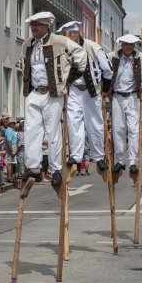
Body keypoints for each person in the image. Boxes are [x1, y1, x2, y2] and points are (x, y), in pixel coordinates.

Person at [18, 11, 89, 186]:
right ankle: (33, 167)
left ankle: (56, 169)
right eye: (32, 25)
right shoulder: (27, 44)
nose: (33, 28)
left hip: (53, 93)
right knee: (31, 130)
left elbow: (81, 56)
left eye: (37, 24)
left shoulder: (60, 41)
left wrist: (68, 79)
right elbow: (23, 64)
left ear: (46, 26)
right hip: (34, 91)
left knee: (53, 133)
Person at [56, 21, 112, 173]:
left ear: (76, 33)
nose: (69, 37)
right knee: (73, 122)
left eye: (71, 34)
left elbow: (107, 70)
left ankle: (99, 157)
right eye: (66, 35)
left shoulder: (93, 46)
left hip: (92, 90)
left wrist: (105, 89)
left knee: (95, 123)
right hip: (73, 89)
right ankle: (76, 155)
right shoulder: (64, 49)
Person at [107, 33, 142, 175]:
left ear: (134, 46)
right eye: (126, 44)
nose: (128, 47)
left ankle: (133, 161)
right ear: (121, 45)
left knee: (134, 130)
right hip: (117, 96)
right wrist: (105, 90)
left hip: (133, 96)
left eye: (131, 45)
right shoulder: (112, 57)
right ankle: (120, 161)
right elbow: (105, 75)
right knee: (118, 129)